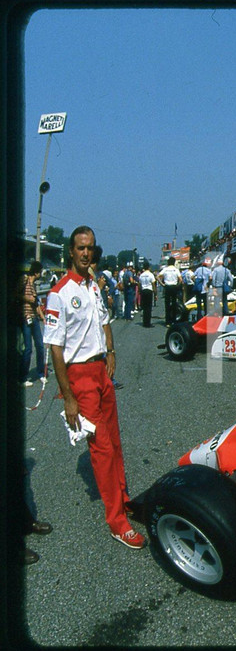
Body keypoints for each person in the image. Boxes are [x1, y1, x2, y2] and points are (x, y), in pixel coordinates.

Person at [43, 225, 145, 549]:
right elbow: (55, 348)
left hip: (101, 370)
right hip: (79, 377)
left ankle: (124, 500)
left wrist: (111, 350)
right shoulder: (58, 292)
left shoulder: (94, 285)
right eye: (80, 248)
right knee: (100, 450)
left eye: (90, 248)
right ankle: (117, 522)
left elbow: (104, 320)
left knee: (114, 442)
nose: (86, 253)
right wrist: (69, 398)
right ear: (71, 251)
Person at [21, 260, 47, 387]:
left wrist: (43, 317)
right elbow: (16, 294)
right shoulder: (24, 280)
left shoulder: (34, 286)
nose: (41, 274)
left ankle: (41, 372)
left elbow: (36, 304)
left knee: (40, 346)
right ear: (36, 272)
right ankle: (23, 376)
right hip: (25, 317)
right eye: (40, 272)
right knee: (28, 348)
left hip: (34, 318)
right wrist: (28, 298)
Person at [157, 256, 183, 325]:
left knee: (167, 304)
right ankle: (174, 321)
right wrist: (177, 285)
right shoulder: (176, 269)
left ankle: (167, 322)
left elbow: (157, 277)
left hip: (167, 287)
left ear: (168, 262)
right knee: (174, 304)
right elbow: (180, 279)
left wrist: (162, 284)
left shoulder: (165, 269)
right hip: (174, 286)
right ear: (174, 262)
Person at [137, 261, 156, 327]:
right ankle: (148, 323)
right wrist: (155, 293)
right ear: (149, 267)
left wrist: (139, 291)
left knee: (144, 307)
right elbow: (153, 284)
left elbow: (139, 284)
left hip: (143, 291)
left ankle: (144, 322)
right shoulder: (151, 274)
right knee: (149, 307)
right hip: (149, 291)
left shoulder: (141, 275)